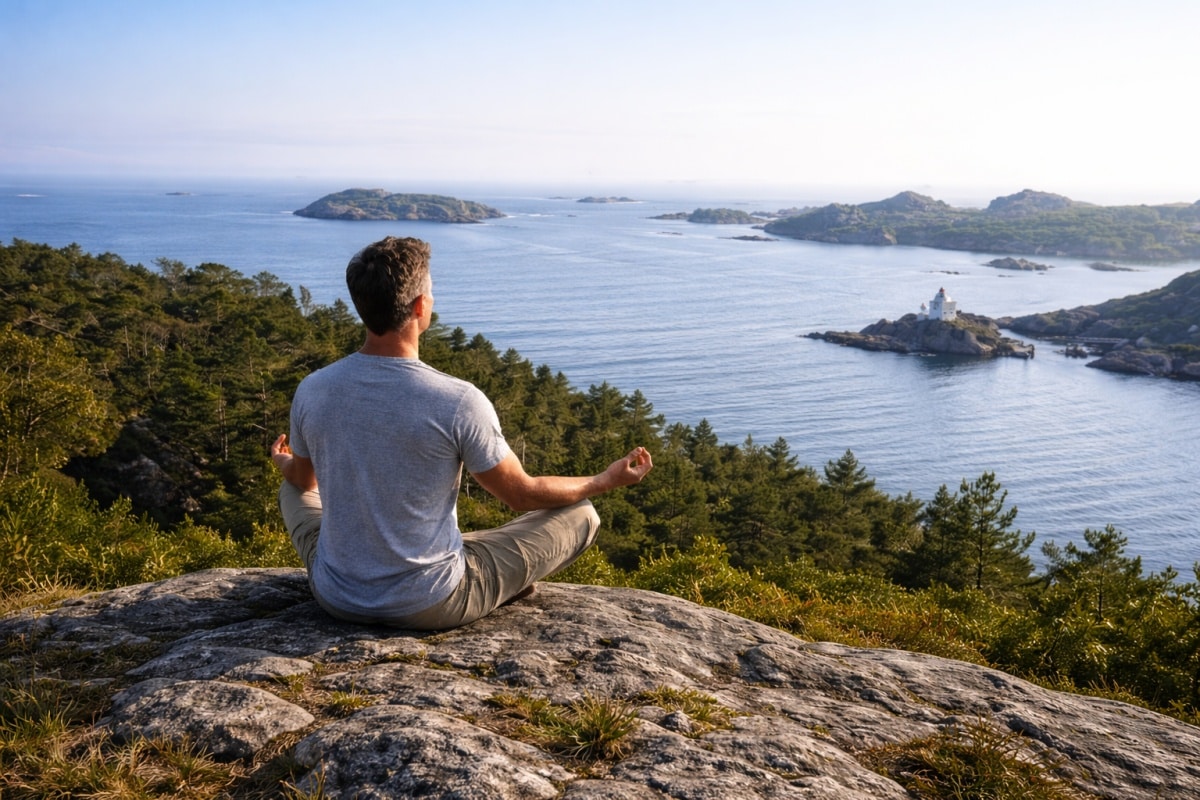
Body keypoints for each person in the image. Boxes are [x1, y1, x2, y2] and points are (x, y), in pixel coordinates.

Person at [271, 235, 652, 630]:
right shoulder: (457, 400)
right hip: (431, 602)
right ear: (420, 306)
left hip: (337, 597)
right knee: (582, 514)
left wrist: (285, 461)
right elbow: (520, 495)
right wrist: (605, 480)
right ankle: (497, 583)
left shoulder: (314, 388)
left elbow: (303, 479)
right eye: (431, 293)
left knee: (291, 489)